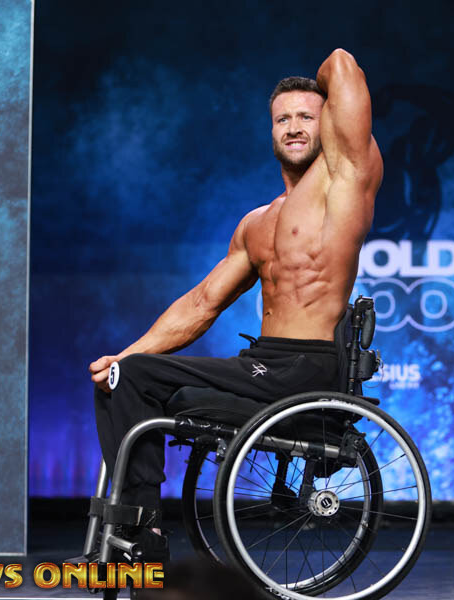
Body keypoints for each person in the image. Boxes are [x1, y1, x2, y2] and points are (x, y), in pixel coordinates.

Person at [88, 48, 383, 559]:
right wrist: (126, 355)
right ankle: (141, 531)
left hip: (305, 368)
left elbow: (341, 64)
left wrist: (320, 93)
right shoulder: (257, 223)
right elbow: (202, 303)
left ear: (332, 124)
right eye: (282, 119)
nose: (294, 127)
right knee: (124, 377)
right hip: (260, 365)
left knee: (135, 375)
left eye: (307, 117)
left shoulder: (346, 182)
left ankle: (139, 536)